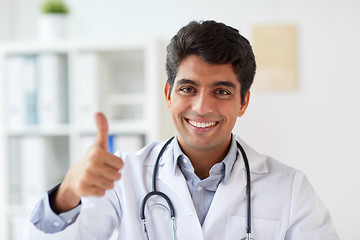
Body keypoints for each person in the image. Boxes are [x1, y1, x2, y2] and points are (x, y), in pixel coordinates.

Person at [23, 20, 339, 240]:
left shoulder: (289, 188)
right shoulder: (123, 176)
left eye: (222, 91)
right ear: (167, 95)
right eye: (188, 88)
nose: (202, 107)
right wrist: (68, 193)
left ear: (243, 102)